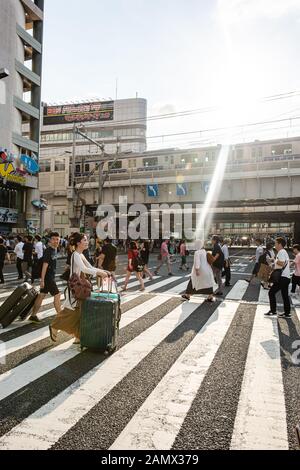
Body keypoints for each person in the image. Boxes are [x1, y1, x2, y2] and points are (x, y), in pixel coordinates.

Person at [49, 233, 109, 343]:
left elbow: (89, 267)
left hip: (80, 286)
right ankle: (54, 326)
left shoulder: (80, 254)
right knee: (71, 311)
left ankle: (78, 335)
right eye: (84, 240)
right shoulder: (76, 255)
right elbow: (84, 269)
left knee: (80, 310)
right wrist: (100, 272)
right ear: (78, 243)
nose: (87, 242)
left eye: (87, 240)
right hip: (75, 287)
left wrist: (104, 271)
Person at [28, 232, 62, 323]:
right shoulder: (48, 251)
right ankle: (60, 316)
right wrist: (42, 280)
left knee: (41, 295)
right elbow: (45, 266)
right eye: (54, 239)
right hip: (48, 278)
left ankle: (33, 315)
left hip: (50, 277)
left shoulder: (54, 249)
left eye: (57, 239)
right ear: (50, 240)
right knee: (57, 295)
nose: (56, 241)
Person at [266, 237, 291, 318]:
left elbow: (282, 263)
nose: (275, 245)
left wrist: (275, 260)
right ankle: (287, 313)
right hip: (286, 277)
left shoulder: (281, 252)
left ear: (279, 244)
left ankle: (273, 311)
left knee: (271, 292)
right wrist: (274, 262)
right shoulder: (284, 252)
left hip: (282, 277)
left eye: (276, 243)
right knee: (285, 295)